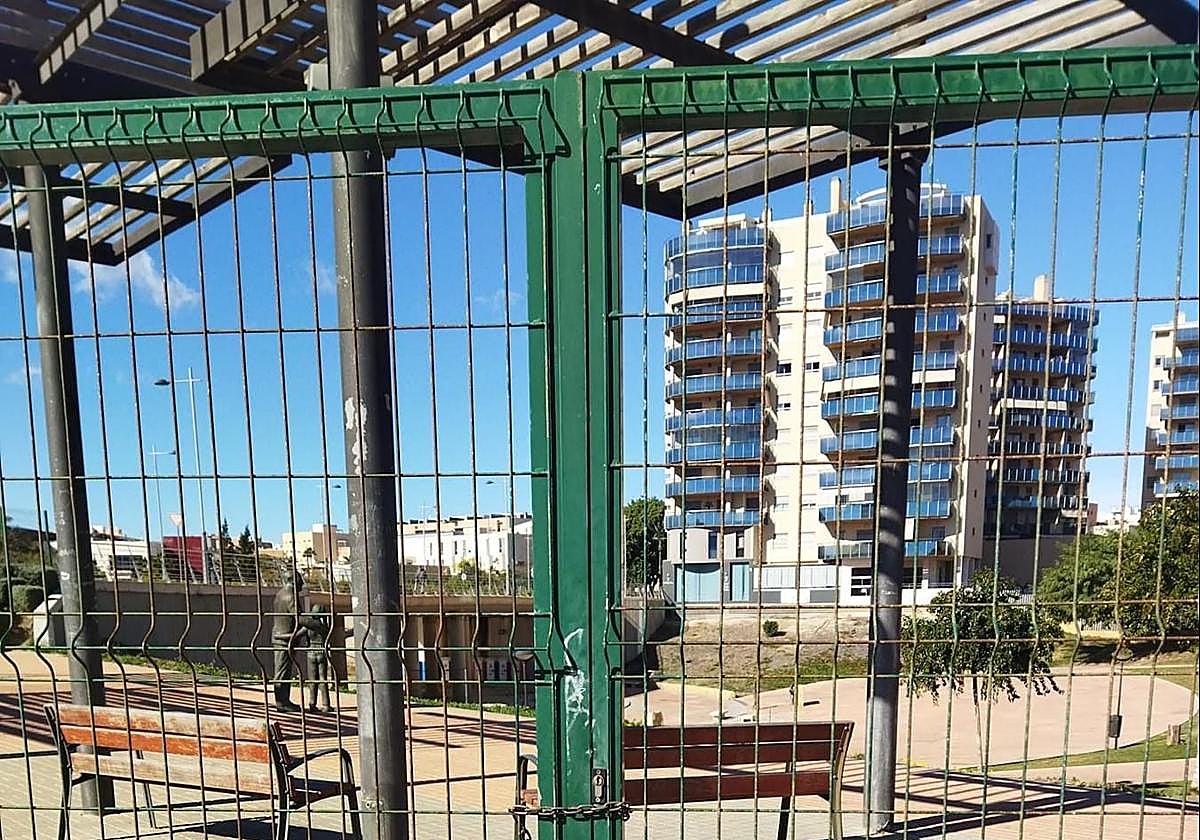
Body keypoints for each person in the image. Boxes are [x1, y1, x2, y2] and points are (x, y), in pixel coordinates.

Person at [271, 570, 325, 712]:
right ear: (294, 581)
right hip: (284, 638)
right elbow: (299, 618)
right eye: (300, 579)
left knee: (283, 670)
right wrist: (315, 624)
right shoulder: (290, 597)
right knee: (282, 671)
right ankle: (282, 702)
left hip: (282, 636)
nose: (303, 583)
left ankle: (283, 700)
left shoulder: (280, 594)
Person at [302, 603, 334, 713]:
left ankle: (312, 703)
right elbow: (329, 634)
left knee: (312, 680)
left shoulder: (308, 626)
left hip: (311, 652)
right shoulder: (323, 626)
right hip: (321, 652)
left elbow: (297, 635)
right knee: (322, 679)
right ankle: (326, 704)